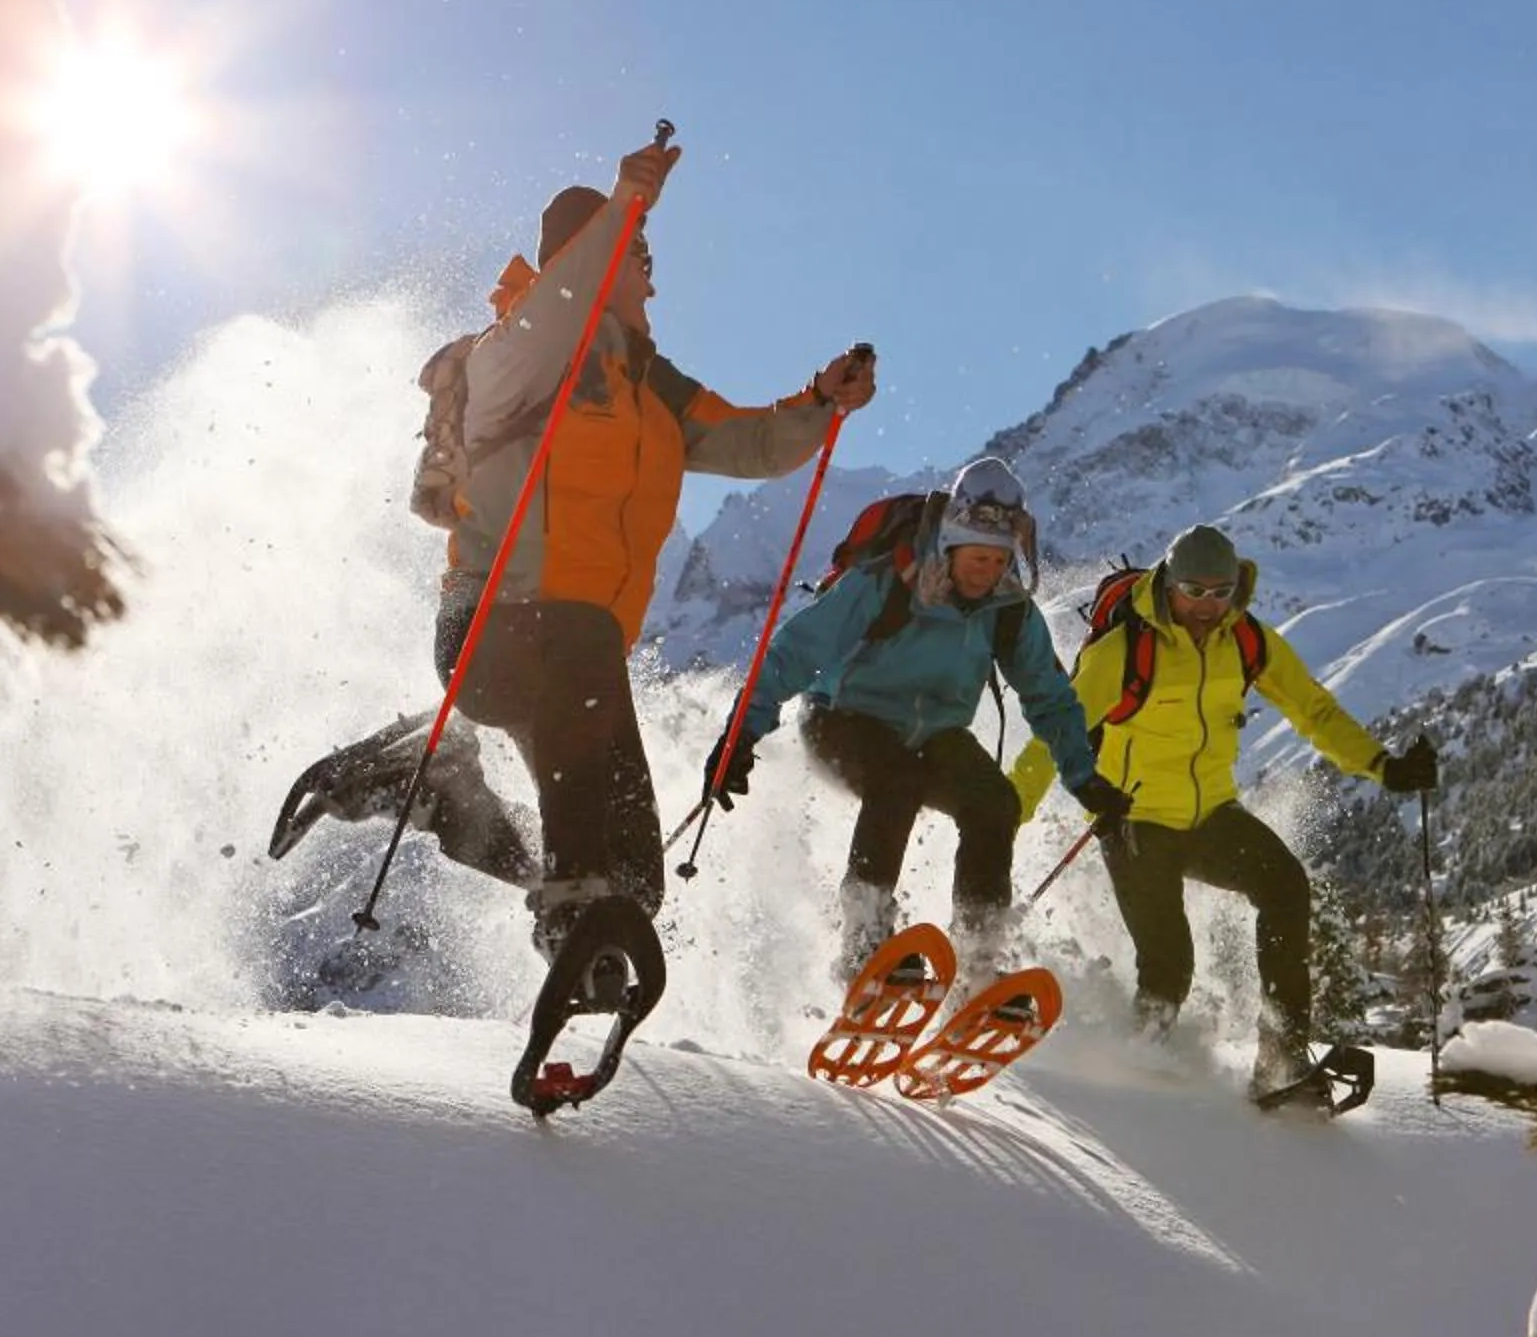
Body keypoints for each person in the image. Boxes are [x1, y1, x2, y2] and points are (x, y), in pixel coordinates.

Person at [316, 130, 876, 983]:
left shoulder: (652, 386)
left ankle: (452, 799)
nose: (652, 275)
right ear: (599, 254)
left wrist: (820, 404)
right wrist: (624, 208)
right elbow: (565, 299)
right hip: (494, 633)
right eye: (640, 257)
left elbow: (752, 442)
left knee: (635, 877)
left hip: (582, 664)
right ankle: (570, 909)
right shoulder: (516, 353)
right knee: (587, 800)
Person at [1015, 522, 1436, 1101]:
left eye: (1221, 592)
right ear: (1169, 585)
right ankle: (1135, 1079)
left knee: (1286, 887)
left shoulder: (1247, 640)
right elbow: (1057, 732)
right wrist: (1009, 809)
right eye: (1194, 591)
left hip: (1212, 814)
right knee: (1170, 965)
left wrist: (1384, 766)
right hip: (1134, 820)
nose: (1208, 605)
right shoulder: (1125, 652)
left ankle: (1282, 1060)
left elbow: (1312, 709)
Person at [702, 457, 1132, 977]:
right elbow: (794, 653)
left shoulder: (1009, 609)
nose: (988, 571)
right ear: (950, 545)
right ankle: (865, 947)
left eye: (999, 560)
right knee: (897, 778)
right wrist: (741, 734)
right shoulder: (887, 579)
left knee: (996, 803)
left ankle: (979, 960)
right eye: (978, 557)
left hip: (934, 732)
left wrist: (1085, 779)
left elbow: (1051, 698)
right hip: (841, 717)